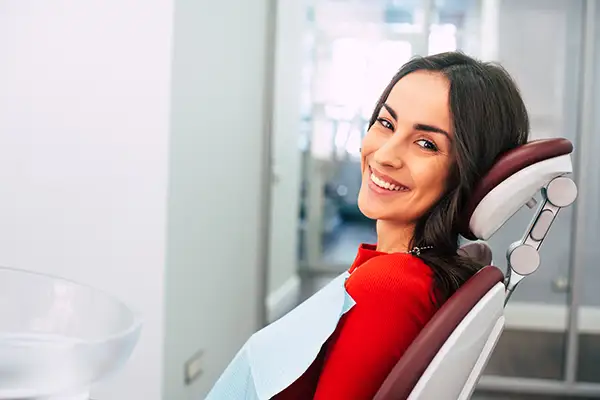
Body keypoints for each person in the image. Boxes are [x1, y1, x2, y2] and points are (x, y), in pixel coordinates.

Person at [208, 52, 529, 400]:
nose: (385, 154)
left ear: (469, 171)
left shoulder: (388, 287)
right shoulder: (404, 273)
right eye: (386, 123)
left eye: (426, 144)